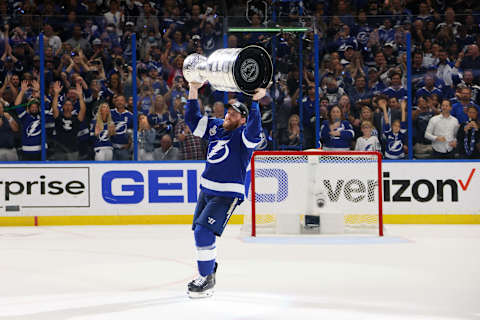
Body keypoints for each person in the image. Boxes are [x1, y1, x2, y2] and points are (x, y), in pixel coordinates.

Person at [184, 81, 264, 298]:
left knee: (203, 232)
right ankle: (208, 271)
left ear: (243, 120)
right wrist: (193, 88)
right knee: (200, 233)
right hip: (207, 189)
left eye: (235, 114)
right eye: (229, 111)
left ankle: (206, 279)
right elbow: (192, 121)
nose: (229, 115)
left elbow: (255, 130)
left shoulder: (245, 137)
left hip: (227, 193)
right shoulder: (217, 126)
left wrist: (255, 102)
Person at [51, 81, 86, 160]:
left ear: (72, 107)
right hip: (59, 150)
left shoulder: (76, 118)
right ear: (63, 107)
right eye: (66, 104)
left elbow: (83, 110)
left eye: (70, 105)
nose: (68, 106)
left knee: (73, 172)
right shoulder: (58, 117)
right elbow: (54, 108)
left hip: (73, 150)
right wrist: (56, 93)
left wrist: (80, 96)